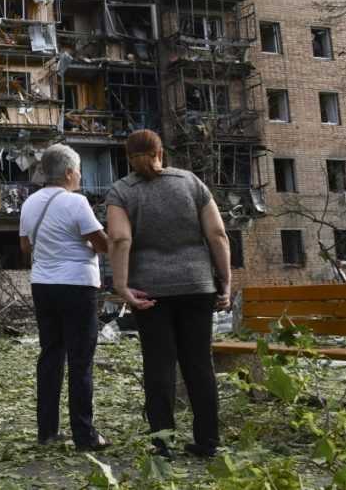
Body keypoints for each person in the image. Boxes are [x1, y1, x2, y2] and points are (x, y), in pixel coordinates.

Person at [105, 130, 232, 459]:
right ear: (162, 151)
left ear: (127, 156)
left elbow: (119, 239)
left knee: (159, 366)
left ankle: (164, 445)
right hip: (197, 285)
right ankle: (207, 443)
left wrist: (121, 286)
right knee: (199, 365)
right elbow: (218, 234)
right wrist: (226, 281)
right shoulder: (191, 182)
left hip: (150, 290)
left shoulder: (121, 191)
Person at [18, 144, 111, 450]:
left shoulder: (30, 203)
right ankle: (85, 435)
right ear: (70, 172)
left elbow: (25, 248)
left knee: (51, 355)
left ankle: (47, 431)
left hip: (43, 285)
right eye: (79, 170)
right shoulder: (77, 202)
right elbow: (102, 244)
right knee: (80, 360)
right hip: (77, 286)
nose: (81, 176)